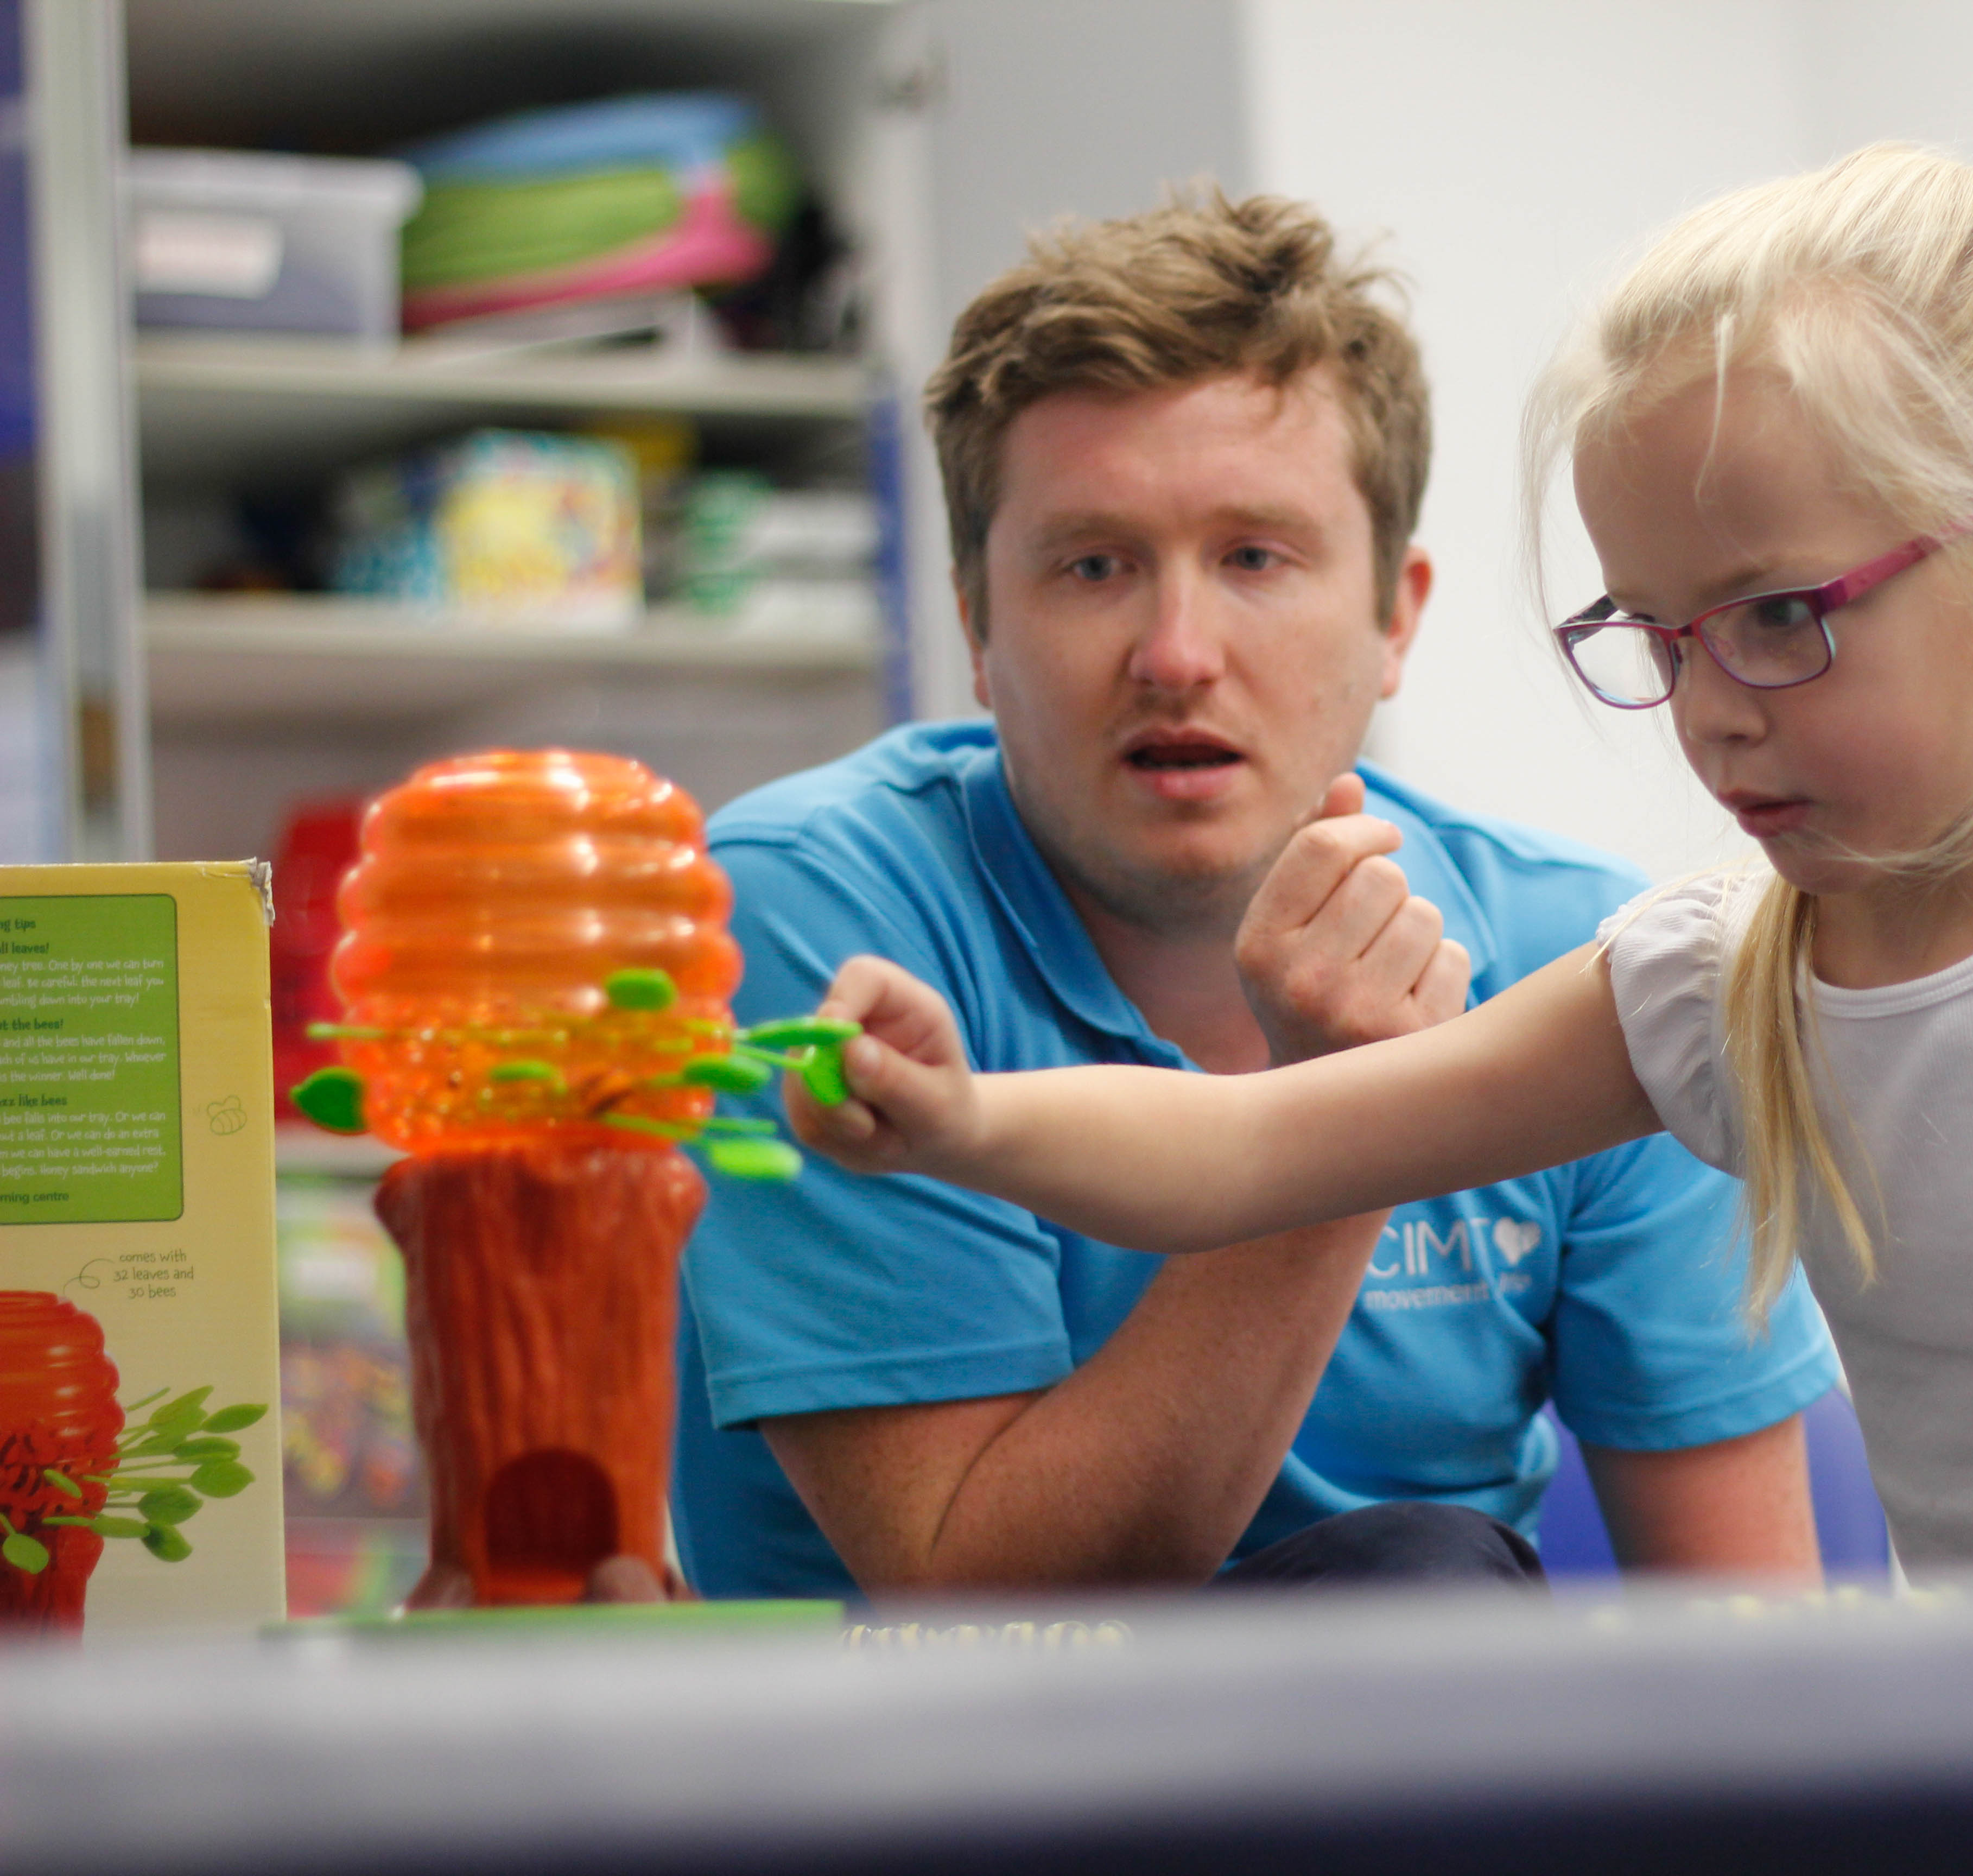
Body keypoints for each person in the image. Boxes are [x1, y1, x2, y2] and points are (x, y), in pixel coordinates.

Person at [782, 144, 1973, 1583]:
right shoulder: (1716, 978)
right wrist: (960, 1125)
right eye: (1658, 639)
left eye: (1779, 617)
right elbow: (1261, 1149)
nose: (1711, 714)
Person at [670, 190, 1843, 1599]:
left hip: (1414, 1754)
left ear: (1394, 615)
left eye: (1255, 559)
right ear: (977, 627)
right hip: (934, 1786)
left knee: (1422, 1585)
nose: (1176, 653)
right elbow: (982, 1606)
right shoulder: (817, 908)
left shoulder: (1594, 959)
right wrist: (1352, 1123)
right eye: (1093, 565)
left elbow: (1744, 1648)